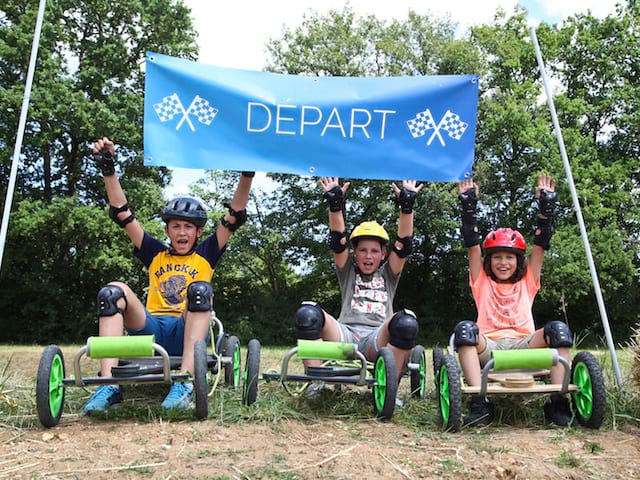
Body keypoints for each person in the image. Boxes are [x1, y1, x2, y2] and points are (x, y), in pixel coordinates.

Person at [83, 137, 253, 414]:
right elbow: (123, 214)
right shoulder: (155, 252)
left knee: (199, 290)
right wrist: (108, 170)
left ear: (199, 232)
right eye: (176, 226)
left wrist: (246, 173)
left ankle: (185, 382)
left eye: (189, 227)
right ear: (168, 230)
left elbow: (234, 216)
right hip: (152, 329)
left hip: (188, 326)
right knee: (112, 292)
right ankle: (109, 384)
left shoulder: (207, 253)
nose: (182, 232)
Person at [453, 174, 574, 427]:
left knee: (559, 331)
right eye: (497, 257)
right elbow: (472, 244)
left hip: (524, 345)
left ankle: (558, 402)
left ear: (519, 261)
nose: (503, 263)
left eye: (510, 257)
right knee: (465, 330)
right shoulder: (481, 280)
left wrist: (546, 210)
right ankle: (480, 401)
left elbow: (540, 246)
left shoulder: (527, 280)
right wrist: (468, 208)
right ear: (489, 261)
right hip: (491, 348)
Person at [294, 177, 423, 399]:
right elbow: (338, 242)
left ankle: (388, 390)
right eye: (363, 250)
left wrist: (407, 206)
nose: (368, 256)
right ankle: (316, 381)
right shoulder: (348, 272)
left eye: (374, 251)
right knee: (307, 313)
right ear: (355, 253)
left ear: (383, 254)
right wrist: (335, 203)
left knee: (406, 323)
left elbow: (403, 245)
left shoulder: (388, 274)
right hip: (345, 335)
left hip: (377, 337)